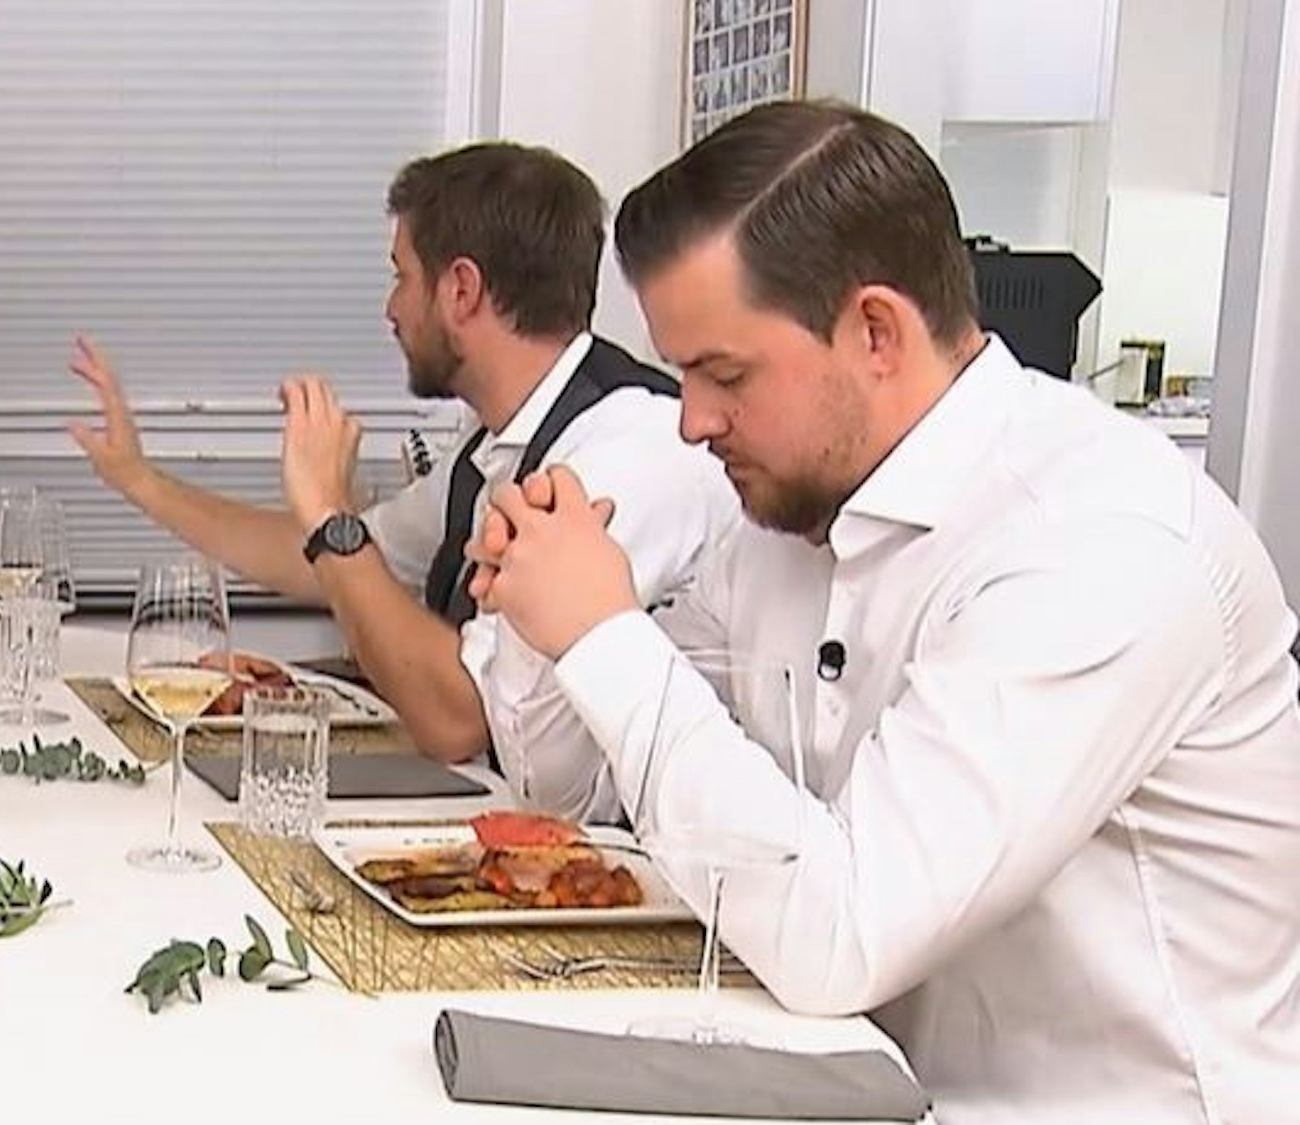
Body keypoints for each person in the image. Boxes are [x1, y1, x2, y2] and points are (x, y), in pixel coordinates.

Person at [470, 100, 1300, 1123]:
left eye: (722, 374)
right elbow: (577, 798)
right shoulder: (784, 517)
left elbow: (840, 935)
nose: (690, 421)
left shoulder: (1099, 546)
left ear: (875, 331)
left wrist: (604, 634)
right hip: (859, 1083)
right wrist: (540, 616)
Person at [67, 142, 735, 811]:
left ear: (461, 289)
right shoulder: (491, 443)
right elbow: (323, 560)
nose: (391, 308)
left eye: (401, 276)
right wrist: (140, 480)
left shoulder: (631, 449)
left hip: (602, 852)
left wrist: (332, 520)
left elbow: (458, 718)